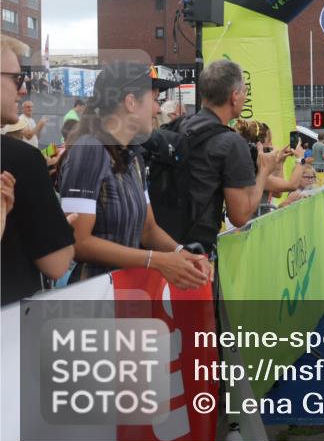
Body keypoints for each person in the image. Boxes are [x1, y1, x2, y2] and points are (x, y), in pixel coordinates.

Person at [56, 61, 211, 288]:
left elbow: (148, 230)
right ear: (130, 102)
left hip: (123, 293)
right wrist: (155, 260)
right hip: (93, 297)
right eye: (155, 100)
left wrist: (181, 253)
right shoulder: (89, 151)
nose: (158, 110)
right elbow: (78, 242)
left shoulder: (133, 156)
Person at [149, 60, 282, 254]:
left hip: (161, 244)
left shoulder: (179, 126)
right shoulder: (232, 143)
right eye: (244, 91)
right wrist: (264, 171)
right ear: (234, 97)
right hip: (195, 254)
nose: (245, 97)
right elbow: (240, 215)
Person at [0, 35, 75, 305]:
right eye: (16, 80)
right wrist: (58, 231)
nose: (23, 91)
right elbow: (56, 263)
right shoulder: (20, 159)